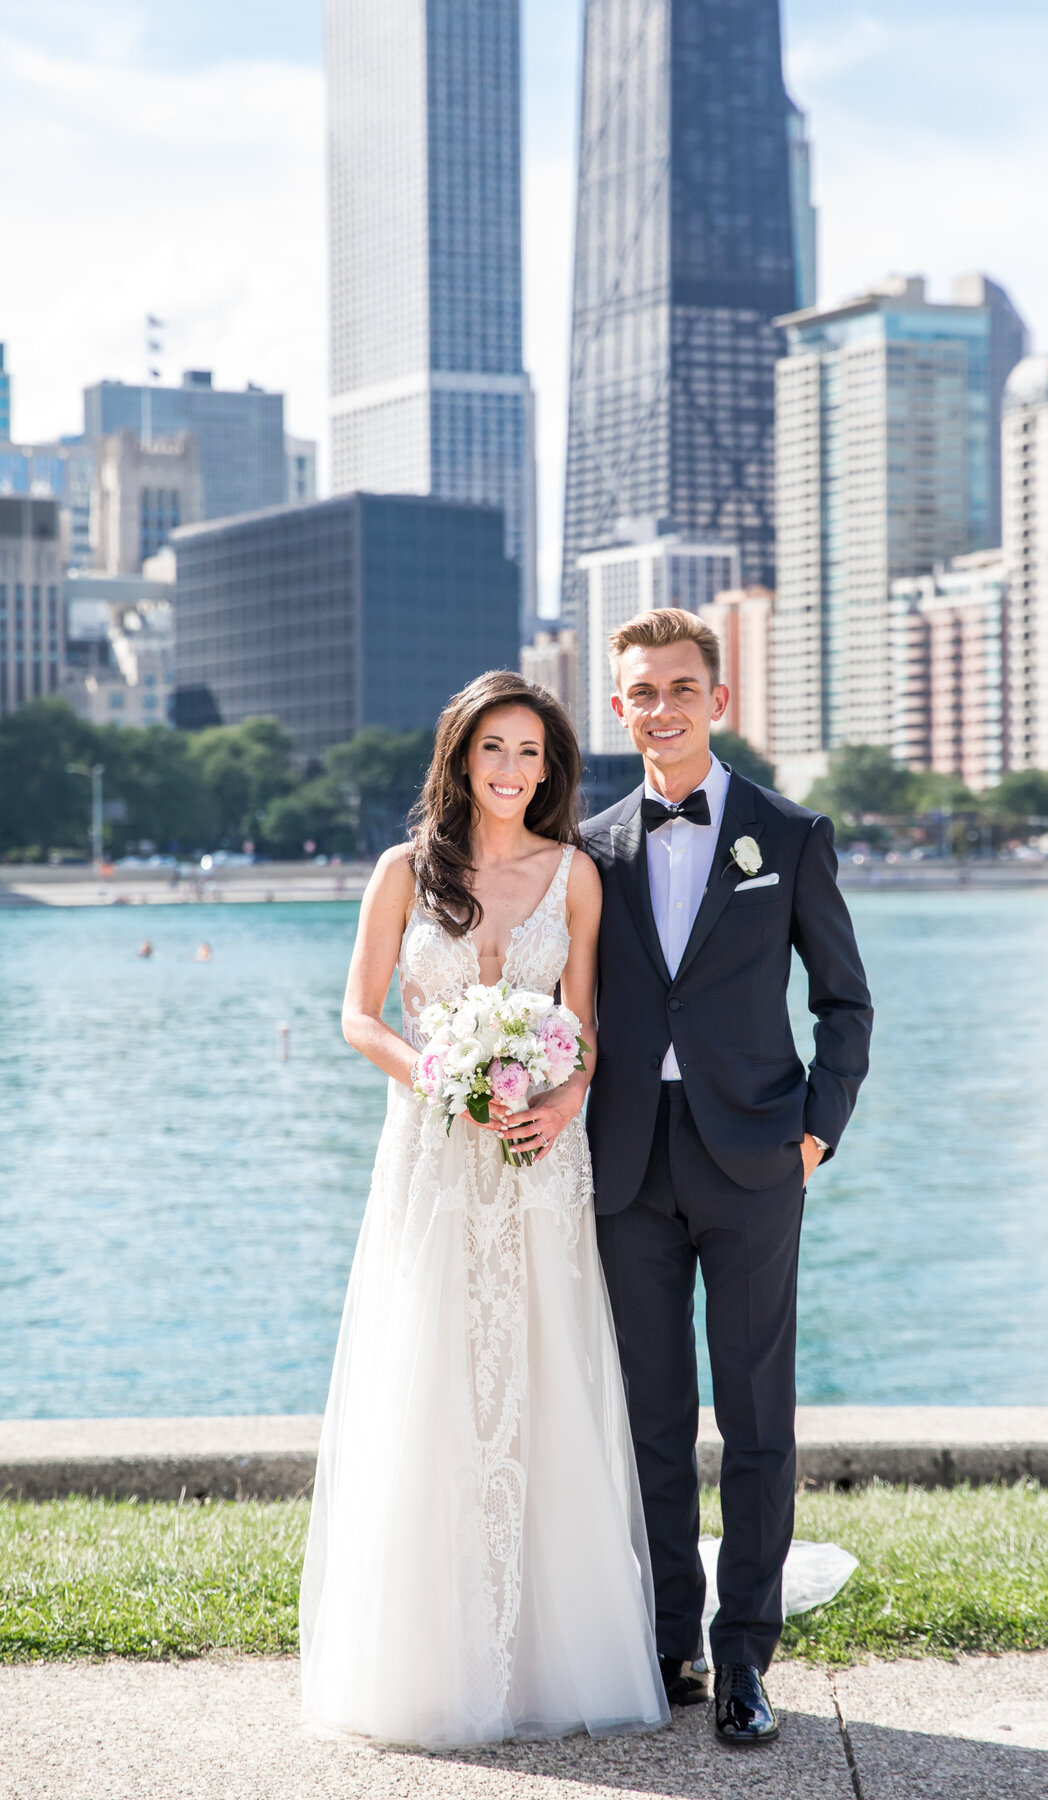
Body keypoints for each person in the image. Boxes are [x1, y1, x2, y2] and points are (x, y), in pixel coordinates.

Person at [300, 670, 668, 1749]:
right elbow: (358, 1017)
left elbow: (587, 1027)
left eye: (533, 754)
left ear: (553, 769)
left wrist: (559, 1104)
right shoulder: (404, 872)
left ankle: (550, 1660)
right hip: (432, 1154)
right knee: (432, 1376)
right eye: (494, 750)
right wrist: (436, 1075)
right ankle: (428, 1664)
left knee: (540, 1376)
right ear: (461, 758)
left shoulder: (578, 878)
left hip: (541, 1164)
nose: (513, 772)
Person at [581, 609, 872, 1749]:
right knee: (651, 1421)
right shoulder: (590, 846)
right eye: (642, 691)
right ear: (619, 708)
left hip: (756, 1162)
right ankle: (671, 1644)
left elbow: (845, 1002)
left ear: (721, 698)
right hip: (628, 1166)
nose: (663, 707)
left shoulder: (788, 836)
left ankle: (747, 1656)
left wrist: (817, 1132)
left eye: (682, 687)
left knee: (756, 1421)